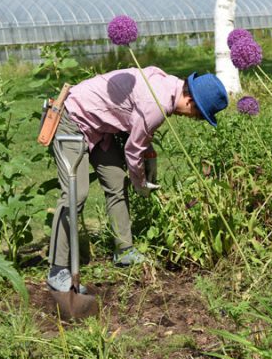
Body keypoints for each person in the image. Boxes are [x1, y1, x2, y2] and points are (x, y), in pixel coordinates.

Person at [46, 66, 228, 292]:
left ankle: (124, 251)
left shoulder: (166, 81)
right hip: (73, 119)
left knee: (116, 182)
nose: (192, 119)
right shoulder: (158, 105)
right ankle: (57, 269)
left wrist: (149, 152)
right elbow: (133, 151)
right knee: (76, 193)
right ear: (191, 101)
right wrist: (140, 184)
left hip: (101, 129)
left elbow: (136, 119)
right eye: (198, 115)